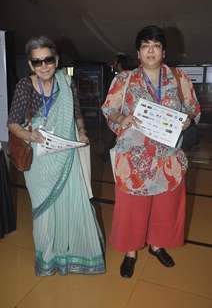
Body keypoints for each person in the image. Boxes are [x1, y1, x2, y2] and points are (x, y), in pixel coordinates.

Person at [102, 25, 200, 278]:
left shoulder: (179, 78)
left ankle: (157, 246)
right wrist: (120, 119)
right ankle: (130, 252)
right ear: (138, 52)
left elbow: (193, 108)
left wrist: (188, 119)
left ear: (163, 51)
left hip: (168, 158)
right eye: (146, 46)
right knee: (132, 208)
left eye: (156, 46)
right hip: (134, 158)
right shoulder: (124, 80)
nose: (151, 51)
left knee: (165, 207)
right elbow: (109, 109)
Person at [8, 36, 105, 276]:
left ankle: (72, 255)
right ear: (31, 65)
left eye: (48, 60)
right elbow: (12, 124)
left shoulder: (66, 83)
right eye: (37, 61)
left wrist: (82, 132)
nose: (43, 66)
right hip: (40, 160)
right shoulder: (24, 86)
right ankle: (48, 260)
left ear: (56, 60)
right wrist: (30, 136)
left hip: (66, 154)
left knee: (71, 203)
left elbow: (76, 114)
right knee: (43, 211)